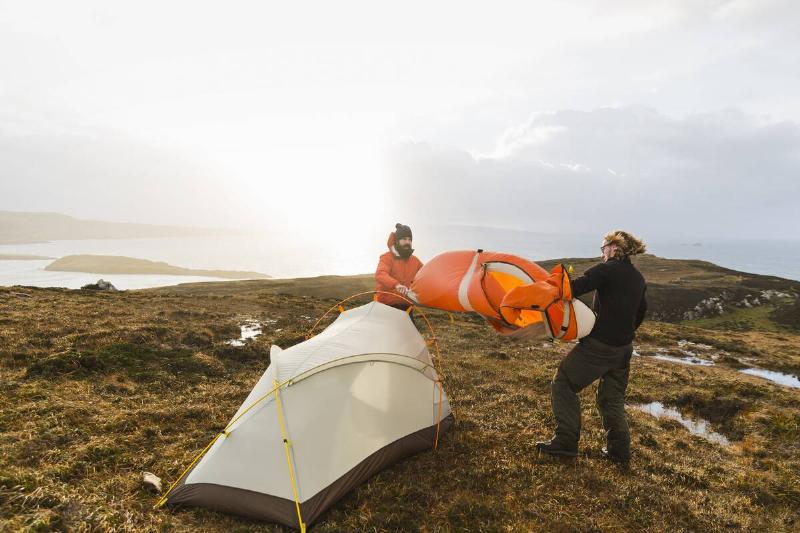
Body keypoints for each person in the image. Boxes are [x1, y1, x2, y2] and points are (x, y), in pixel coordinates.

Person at [536, 230, 647, 464]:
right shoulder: (638, 277)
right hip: (624, 349)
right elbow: (641, 313)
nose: (602, 252)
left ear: (614, 248)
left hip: (600, 346)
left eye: (603, 247)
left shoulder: (606, 270)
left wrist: (553, 283)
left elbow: (573, 289)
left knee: (563, 383)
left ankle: (565, 443)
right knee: (611, 401)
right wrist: (622, 333)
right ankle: (619, 453)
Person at [375, 223, 423, 312]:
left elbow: (425, 275)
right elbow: (380, 274)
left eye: (409, 239)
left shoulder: (415, 261)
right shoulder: (387, 257)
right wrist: (396, 285)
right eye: (404, 239)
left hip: (406, 306)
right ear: (397, 241)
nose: (408, 242)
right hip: (386, 305)